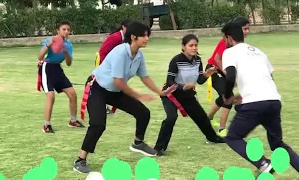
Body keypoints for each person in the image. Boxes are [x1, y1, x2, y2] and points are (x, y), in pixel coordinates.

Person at [75, 21, 177, 173]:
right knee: (98, 124)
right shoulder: (120, 52)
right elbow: (118, 81)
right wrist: (138, 95)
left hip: (114, 91)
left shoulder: (139, 56)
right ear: (133, 37)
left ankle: (138, 143)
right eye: (143, 35)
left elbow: (145, 77)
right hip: (96, 88)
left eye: (148, 35)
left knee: (143, 113)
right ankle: (80, 160)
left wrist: (160, 92)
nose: (147, 38)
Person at [221, 22, 299, 176]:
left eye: (224, 38)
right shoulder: (259, 52)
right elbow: (270, 77)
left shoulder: (230, 52)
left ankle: (264, 164)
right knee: (278, 144)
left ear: (229, 38)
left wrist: (228, 96)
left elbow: (229, 77)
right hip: (273, 100)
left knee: (233, 137)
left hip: (253, 102)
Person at [153, 34, 225, 156]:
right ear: (183, 47)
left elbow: (199, 80)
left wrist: (207, 74)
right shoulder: (176, 60)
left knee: (201, 117)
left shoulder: (197, 60)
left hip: (187, 95)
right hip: (171, 95)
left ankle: (213, 138)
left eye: (196, 45)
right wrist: (182, 87)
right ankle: (159, 148)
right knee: (171, 117)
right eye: (191, 45)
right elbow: (169, 80)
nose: (194, 48)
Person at [205, 16, 250, 137]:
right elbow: (217, 59)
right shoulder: (226, 40)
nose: (247, 32)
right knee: (228, 97)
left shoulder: (240, 44)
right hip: (213, 70)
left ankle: (208, 118)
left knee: (223, 97)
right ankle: (222, 129)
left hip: (224, 71)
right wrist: (227, 74)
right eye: (244, 29)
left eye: (248, 29)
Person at [37, 20, 84, 133]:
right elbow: (40, 56)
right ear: (58, 30)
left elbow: (68, 63)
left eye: (68, 29)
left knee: (72, 94)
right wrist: (48, 46)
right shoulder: (50, 40)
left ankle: (72, 121)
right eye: (64, 29)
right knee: (51, 96)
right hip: (46, 68)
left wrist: (66, 53)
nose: (66, 31)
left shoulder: (68, 45)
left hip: (57, 69)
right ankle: (46, 125)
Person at [95, 19, 133, 114]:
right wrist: (106, 67)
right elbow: (103, 51)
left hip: (112, 64)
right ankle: (101, 105)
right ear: (123, 27)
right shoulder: (116, 37)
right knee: (102, 84)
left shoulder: (126, 39)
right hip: (103, 61)